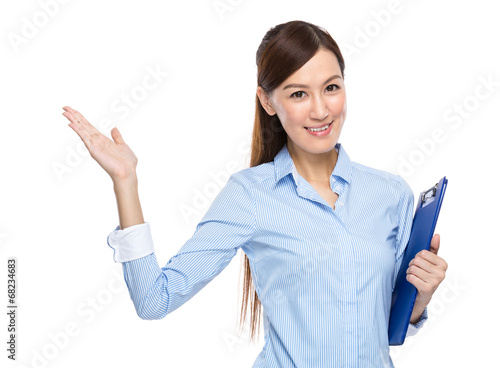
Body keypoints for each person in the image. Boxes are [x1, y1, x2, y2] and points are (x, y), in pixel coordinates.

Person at [62, 20, 448, 368]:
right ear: (268, 102)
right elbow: (154, 300)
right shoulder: (249, 196)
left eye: (331, 88)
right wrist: (125, 181)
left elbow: (385, 329)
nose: (320, 110)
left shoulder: (390, 194)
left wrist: (421, 298)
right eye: (298, 94)